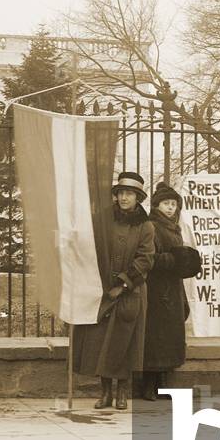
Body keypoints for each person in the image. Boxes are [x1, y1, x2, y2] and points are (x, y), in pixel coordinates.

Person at [72, 172, 155, 410]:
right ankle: (105, 392)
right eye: (121, 193)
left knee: (124, 343)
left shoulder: (146, 226)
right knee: (100, 342)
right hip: (103, 291)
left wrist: (124, 283)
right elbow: (91, 247)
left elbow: (145, 259)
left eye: (129, 194)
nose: (124, 197)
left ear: (138, 198)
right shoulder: (102, 221)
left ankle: (122, 392)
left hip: (130, 292)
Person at [140, 182, 197, 401]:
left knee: (169, 339)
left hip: (172, 289)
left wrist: (185, 260)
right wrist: (175, 259)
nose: (171, 208)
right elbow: (149, 258)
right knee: (155, 338)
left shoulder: (174, 227)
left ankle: (162, 384)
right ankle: (148, 386)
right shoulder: (153, 226)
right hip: (156, 290)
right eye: (166, 203)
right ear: (156, 205)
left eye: (174, 204)